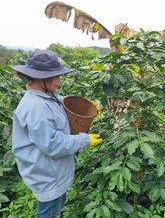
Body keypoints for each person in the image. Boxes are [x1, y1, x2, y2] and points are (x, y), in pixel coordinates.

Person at [12, 49, 102, 218]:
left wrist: (86, 105)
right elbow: (52, 144)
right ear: (42, 78)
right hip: (48, 178)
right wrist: (84, 140)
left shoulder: (46, 95)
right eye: (57, 76)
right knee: (49, 214)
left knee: (54, 212)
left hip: (54, 173)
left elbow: (59, 101)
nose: (59, 81)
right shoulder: (36, 108)